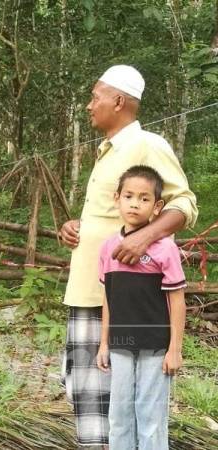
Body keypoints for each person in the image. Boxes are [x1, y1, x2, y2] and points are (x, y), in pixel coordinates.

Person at [59, 65, 197, 447]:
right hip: (93, 288)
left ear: (118, 101)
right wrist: (77, 225)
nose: (89, 106)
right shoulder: (109, 151)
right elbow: (109, 216)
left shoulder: (146, 145)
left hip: (126, 301)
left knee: (116, 393)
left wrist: (145, 238)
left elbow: (184, 203)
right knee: (89, 388)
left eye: (95, 97)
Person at [97, 165, 186, 450]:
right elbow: (108, 298)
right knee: (119, 417)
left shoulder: (164, 249)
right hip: (121, 346)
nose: (135, 203)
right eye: (129, 196)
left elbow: (177, 301)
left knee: (150, 418)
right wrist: (103, 343)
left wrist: (175, 349)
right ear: (117, 198)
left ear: (157, 206)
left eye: (144, 198)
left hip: (156, 348)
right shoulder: (108, 248)